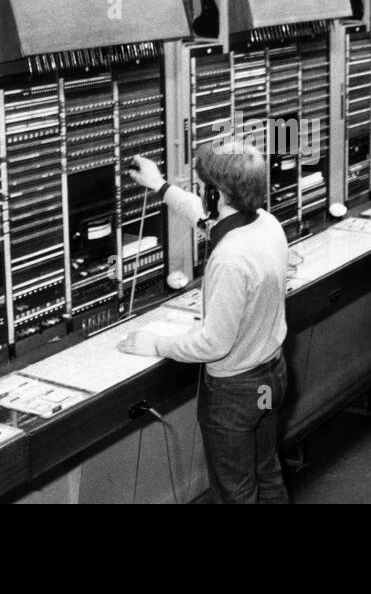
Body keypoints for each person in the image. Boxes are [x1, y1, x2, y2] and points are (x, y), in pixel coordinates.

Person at [118, 138, 290, 504]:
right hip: (269, 383)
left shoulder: (229, 259)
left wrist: (155, 343)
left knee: (235, 492)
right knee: (267, 472)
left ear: (217, 195)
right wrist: (161, 187)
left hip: (235, 394)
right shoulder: (267, 225)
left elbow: (214, 343)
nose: (202, 195)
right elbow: (205, 219)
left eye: (204, 188)